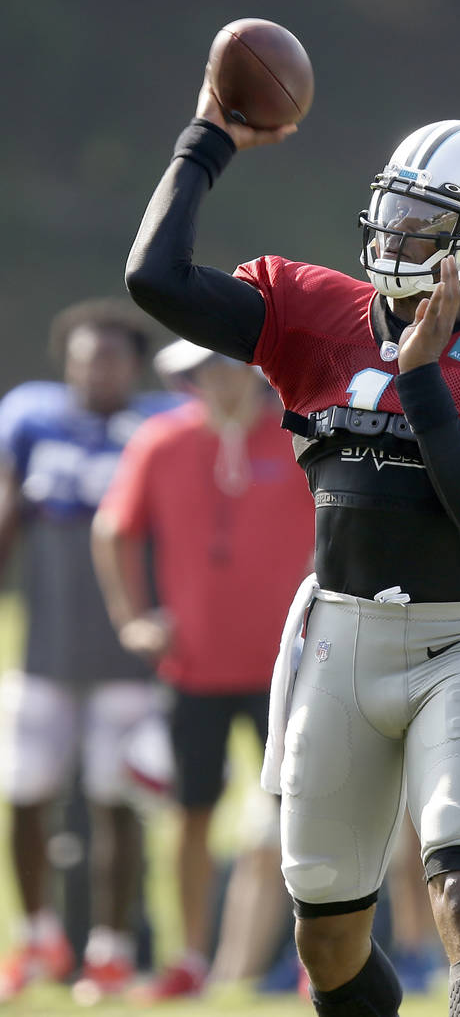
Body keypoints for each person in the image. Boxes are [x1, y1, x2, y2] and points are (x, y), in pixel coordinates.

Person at [123, 69, 460, 1017]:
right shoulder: (315, 311)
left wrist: (422, 382)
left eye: (426, 224)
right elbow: (154, 281)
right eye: (394, 213)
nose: (394, 237)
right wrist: (206, 142)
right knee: (328, 936)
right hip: (334, 641)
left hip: (455, 644)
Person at [91, 337, 315, 1000]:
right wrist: (134, 618)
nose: (217, 382)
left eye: (227, 368)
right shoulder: (161, 441)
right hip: (193, 668)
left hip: (288, 665)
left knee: (301, 815)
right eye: (203, 371)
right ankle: (188, 958)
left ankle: (314, 957)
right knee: (189, 815)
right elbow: (113, 531)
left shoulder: (296, 437)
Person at [0, 297, 177, 1001]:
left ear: (134, 365)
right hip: (43, 645)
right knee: (24, 793)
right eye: (83, 358)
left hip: (127, 650)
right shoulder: (32, 417)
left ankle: (110, 947)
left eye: (108, 358)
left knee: (114, 801)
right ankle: (37, 936)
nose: (94, 371)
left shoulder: (158, 426)